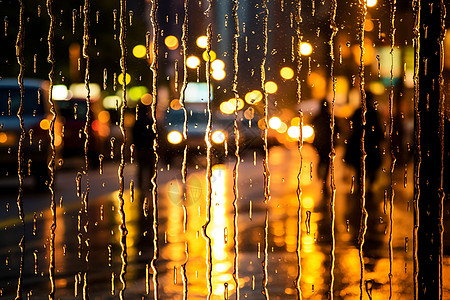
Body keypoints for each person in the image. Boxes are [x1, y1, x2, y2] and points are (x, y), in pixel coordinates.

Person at [344, 91, 383, 192]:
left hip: (360, 143)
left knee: (360, 166)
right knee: (370, 165)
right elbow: (378, 127)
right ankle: (368, 185)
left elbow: (353, 129)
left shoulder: (358, 111)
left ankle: (362, 186)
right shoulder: (372, 112)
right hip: (369, 142)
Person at [311, 99, 338, 194]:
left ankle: (320, 177)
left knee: (321, 159)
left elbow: (313, 126)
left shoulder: (318, 117)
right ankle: (323, 179)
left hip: (319, 142)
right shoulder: (331, 117)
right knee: (326, 162)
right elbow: (337, 129)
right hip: (328, 143)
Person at [133, 104, 157, 199]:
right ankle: (150, 185)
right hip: (149, 149)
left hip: (141, 149)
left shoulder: (137, 123)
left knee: (141, 168)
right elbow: (154, 135)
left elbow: (134, 137)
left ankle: (140, 185)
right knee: (150, 168)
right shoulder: (150, 122)